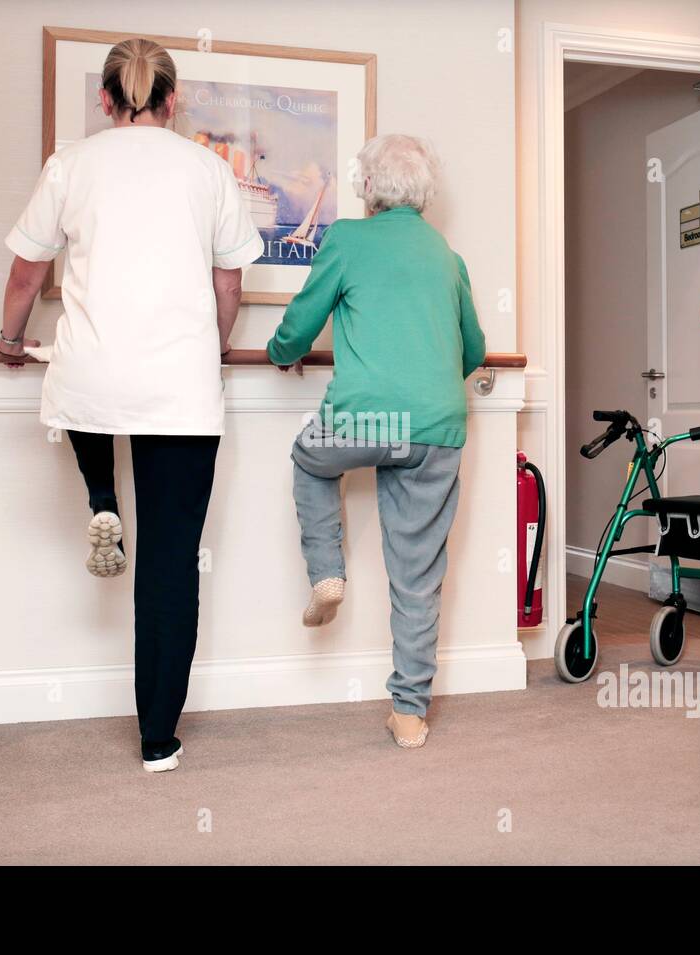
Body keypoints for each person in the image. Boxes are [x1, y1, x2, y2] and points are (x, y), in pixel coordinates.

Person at [0, 38, 263, 773]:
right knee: (170, 566)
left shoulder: (72, 164)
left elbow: (26, 274)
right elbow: (230, 285)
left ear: (106, 101)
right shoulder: (210, 170)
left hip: (93, 383)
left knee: (78, 382)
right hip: (178, 391)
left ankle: (100, 493)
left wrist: (9, 338)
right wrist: (207, 347)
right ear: (173, 103)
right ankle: (157, 738)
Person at [266, 134, 486, 750]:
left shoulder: (347, 239)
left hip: (368, 424)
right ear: (423, 192)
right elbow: (473, 350)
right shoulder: (447, 256)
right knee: (418, 574)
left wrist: (282, 354)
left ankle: (327, 573)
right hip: (438, 428)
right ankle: (410, 715)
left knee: (310, 460)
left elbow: (299, 326)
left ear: (368, 188)